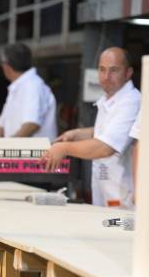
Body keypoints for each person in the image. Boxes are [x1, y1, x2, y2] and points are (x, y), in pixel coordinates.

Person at [42, 47, 140, 209]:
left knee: (115, 230)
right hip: (107, 195)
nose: (106, 77)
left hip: (123, 202)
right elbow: (108, 131)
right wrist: (78, 134)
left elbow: (105, 147)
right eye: (102, 70)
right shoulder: (109, 99)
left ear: (128, 73)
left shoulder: (131, 102)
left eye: (113, 70)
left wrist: (64, 148)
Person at [0, 42, 57, 140]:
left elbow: (32, 124)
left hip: (35, 154)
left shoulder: (32, 85)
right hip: (19, 153)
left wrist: (8, 145)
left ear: (6, 66)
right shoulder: (18, 87)